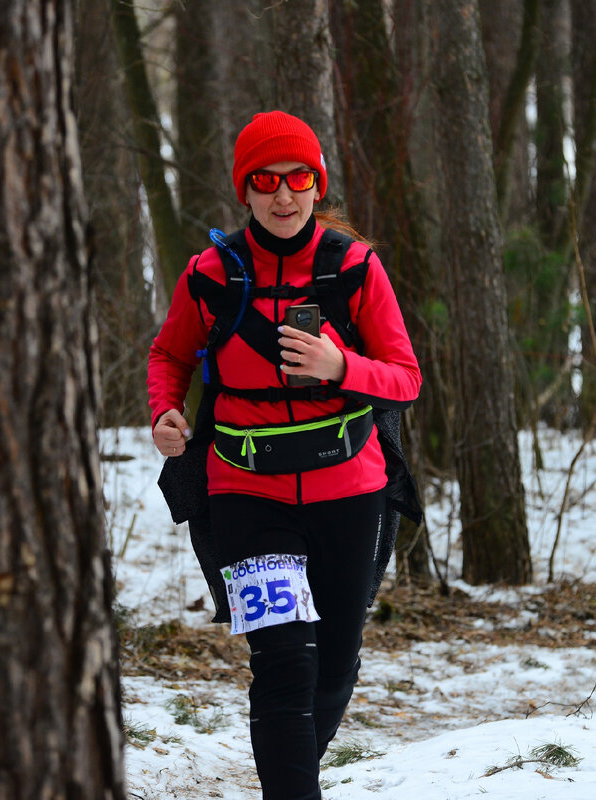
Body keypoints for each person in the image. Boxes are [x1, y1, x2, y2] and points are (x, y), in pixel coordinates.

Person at [147, 110, 421, 800]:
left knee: (332, 666)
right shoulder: (211, 274)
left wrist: (339, 365)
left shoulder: (354, 268)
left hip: (349, 491)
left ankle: (292, 773)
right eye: (265, 180)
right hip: (246, 493)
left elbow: (405, 376)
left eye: (298, 178)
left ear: (316, 185)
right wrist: (165, 412)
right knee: (282, 663)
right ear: (246, 190)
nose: (283, 194)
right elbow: (168, 353)